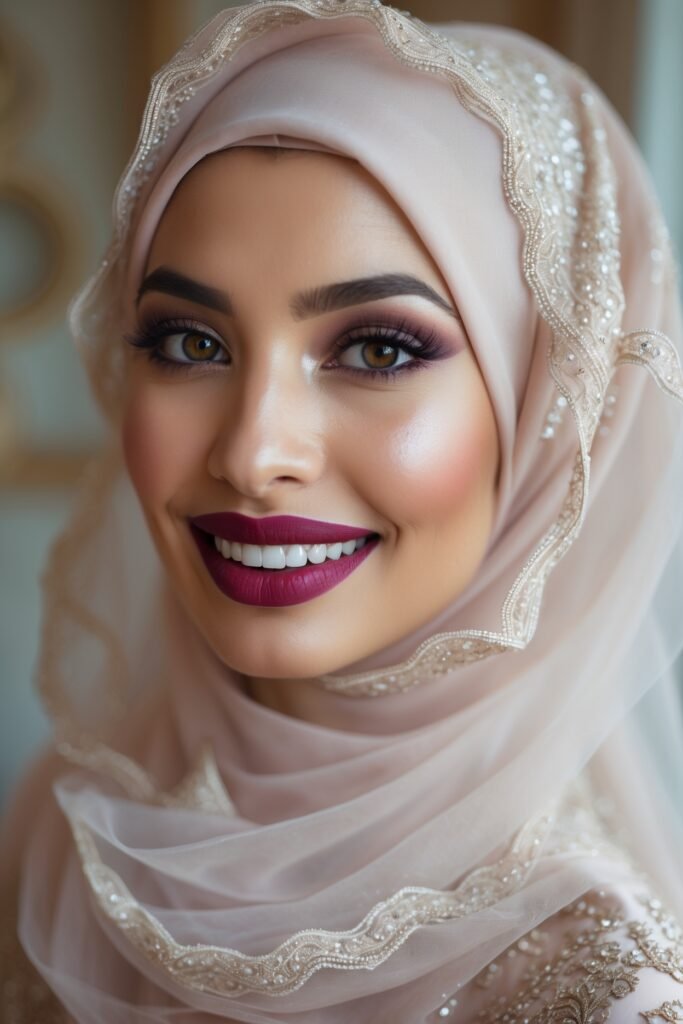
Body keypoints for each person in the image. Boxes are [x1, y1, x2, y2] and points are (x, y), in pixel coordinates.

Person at [2, 1, 683, 1020]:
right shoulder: (74, 827)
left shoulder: (585, 987)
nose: (253, 453)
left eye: (377, 349)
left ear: (543, 403)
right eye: (189, 342)